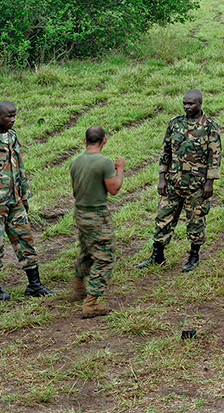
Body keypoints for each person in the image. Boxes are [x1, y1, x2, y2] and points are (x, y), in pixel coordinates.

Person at [0, 100, 51, 300]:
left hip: (15, 202)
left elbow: (20, 167)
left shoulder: (12, 137)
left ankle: (34, 285)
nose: (12, 120)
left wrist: (24, 196)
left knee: (26, 241)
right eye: (9, 116)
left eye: (14, 116)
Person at [137, 89, 222, 272]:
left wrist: (209, 182)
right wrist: (162, 178)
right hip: (174, 182)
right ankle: (157, 255)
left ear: (200, 104)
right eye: (184, 103)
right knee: (162, 217)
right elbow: (165, 151)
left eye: (190, 103)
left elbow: (214, 156)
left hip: (197, 185)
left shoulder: (209, 127)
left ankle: (193, 256)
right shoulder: (175, 124)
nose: (186, 107)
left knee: (196, 220)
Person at [68, 126, 125, 317]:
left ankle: (78, 287)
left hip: (80, 213)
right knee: (105, 257)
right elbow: (114, 189)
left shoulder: (75, 161)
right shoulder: (105, 162)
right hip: (97, 216)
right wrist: (120, 170)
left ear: (85, 141)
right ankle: (91, 303)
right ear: (104, 141)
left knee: (86, 249)